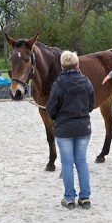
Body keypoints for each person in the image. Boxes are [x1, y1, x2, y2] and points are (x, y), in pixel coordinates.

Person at [46, 50, 94, 209]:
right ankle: (85, 197)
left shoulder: (58, 84)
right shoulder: (86, 81)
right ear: (77, 64)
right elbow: (91, 105)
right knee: (81, 162)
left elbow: (51, 110)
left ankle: (69, 198)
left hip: (64, 129)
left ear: (61, 66)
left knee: (67, 163)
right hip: (83, 127)